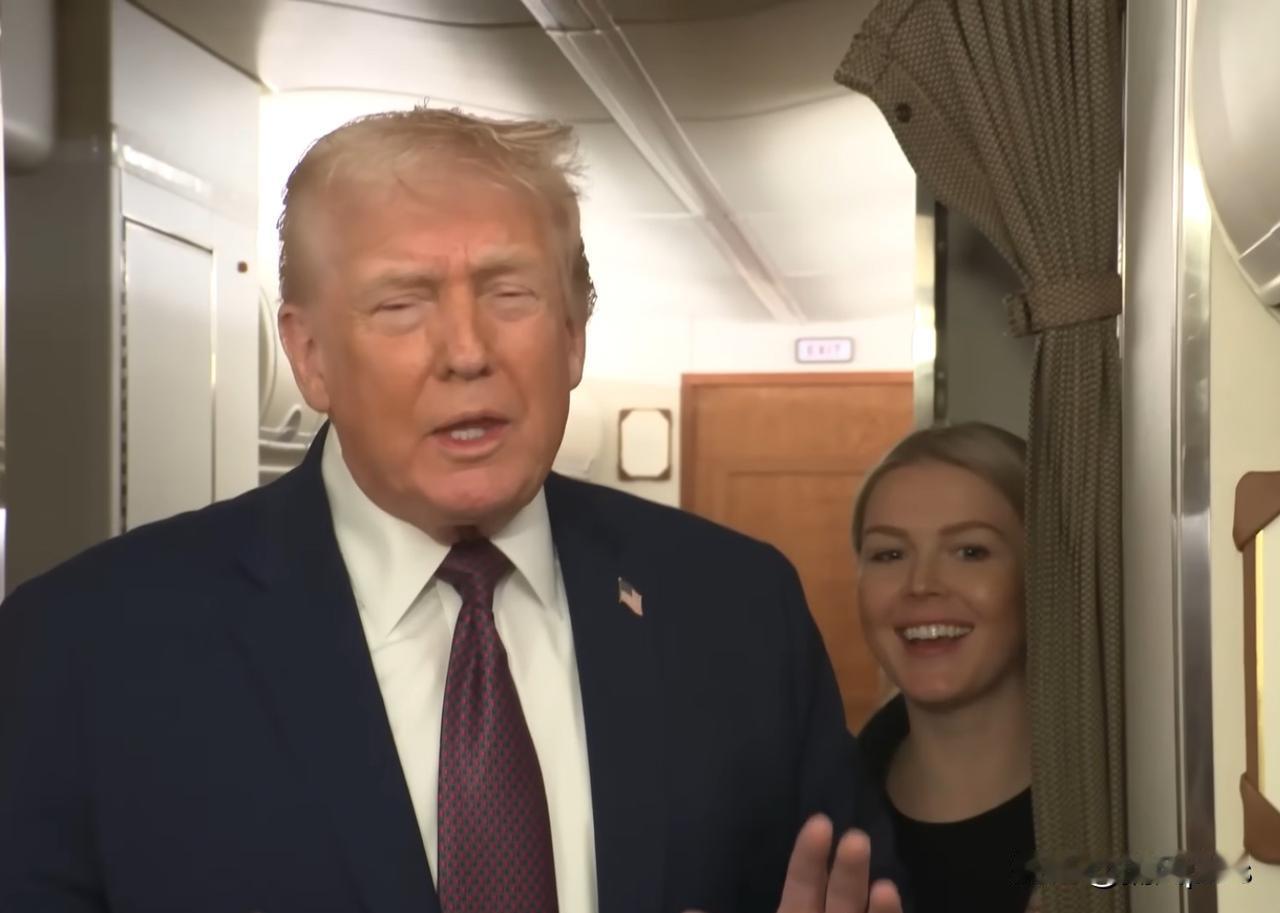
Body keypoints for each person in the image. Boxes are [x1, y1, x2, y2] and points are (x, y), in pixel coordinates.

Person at [0, 107, 906, 913]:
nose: (467, 351)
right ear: (310, 356)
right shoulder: (85, 649)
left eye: (511, 293)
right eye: (402, 304)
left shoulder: (739, 609)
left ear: (573, 334)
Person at [851, 423, 1036, 912]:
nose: (921, 584)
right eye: (889, 553)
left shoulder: (1129, 810)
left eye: (970, 552)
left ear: (1039, 576)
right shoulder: (817, 819)